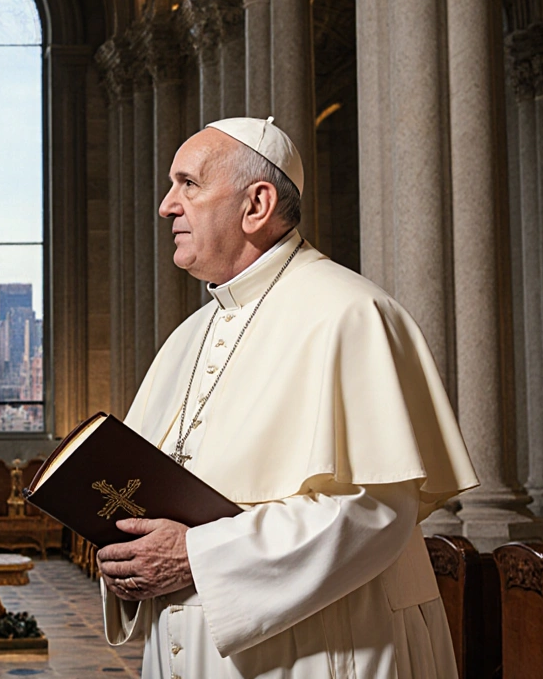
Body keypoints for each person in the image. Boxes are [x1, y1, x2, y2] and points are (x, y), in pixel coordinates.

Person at [97, 117, 479, 679]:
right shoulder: (189, 336)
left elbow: (374, 510)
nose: (166, 206)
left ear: (257, 204)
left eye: (188, 184)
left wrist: (194, 556)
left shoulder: (351, 314)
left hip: (320, 651)